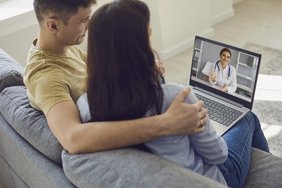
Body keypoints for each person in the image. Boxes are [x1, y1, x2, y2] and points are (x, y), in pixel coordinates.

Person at [76, 0, 269, 187]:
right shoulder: (176, 98)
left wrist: (148, 75)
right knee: (247, 117)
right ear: (140, 48)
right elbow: (218, 155)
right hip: (212, 179)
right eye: (149, 36)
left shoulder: (86, 105)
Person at [23, 0, 208, 155]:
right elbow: (73, 138)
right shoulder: (45, 76)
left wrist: (143, 64)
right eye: (83, 20)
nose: (89, 26)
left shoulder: (65, 48)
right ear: (53, 25)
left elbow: (107, 68)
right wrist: (168, 123)